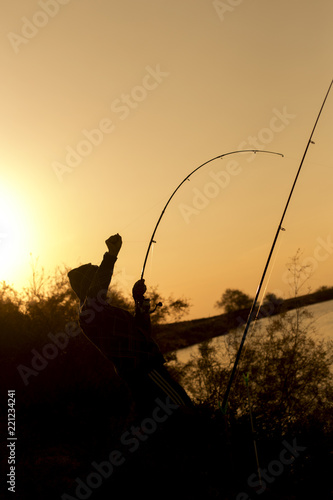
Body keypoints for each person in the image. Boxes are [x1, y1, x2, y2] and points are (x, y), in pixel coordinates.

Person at [67, 233, 193, 417]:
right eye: (96, 278)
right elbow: (97, 290)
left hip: (147, 370)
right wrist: (111, 255)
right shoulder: (88, 313)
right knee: (186, 408)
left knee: (168, 419)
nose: (103, 284)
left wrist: (139, 301)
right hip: (145, 371)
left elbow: (142, 332)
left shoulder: (105, 311)